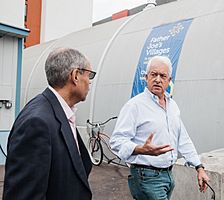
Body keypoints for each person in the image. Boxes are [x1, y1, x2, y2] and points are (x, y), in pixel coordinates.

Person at [110, 55, 209, 200]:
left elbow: (183, 139)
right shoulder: (134, 106)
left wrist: (199, 167)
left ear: (169, 81)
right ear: (146, 77)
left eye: (163, 76)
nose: (157, 79)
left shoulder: (172, 106)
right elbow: (116, 141)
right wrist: (139, 149)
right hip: (146, 177)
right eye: (153, 74)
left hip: (168, 176)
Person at [3, 48, 96, 200]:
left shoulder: (58, 111)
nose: (90, 81)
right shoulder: (37, 122)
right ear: (75, 76)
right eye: (89, 74)